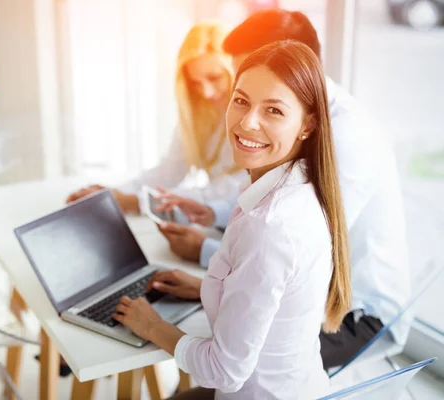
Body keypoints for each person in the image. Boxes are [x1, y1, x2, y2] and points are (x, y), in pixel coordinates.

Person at [155, 9, 410, 370]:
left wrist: (205, 254)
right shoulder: (301, 113)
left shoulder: (349, 139)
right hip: (304, 292)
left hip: (356, 316)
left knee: (221, 351)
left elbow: (311, 254)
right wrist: (213, 223)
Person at [114, 40, 351, 399]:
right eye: (241, 101)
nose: (247, 122)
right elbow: (275, 296)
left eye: (273, 110)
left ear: (307, 124)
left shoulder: (269, 227)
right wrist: (208, 288)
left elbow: (224, 371)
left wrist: (153, 327)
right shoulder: (300, 187)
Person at [65, 21, 248, 213]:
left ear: (234, 71)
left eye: (214, 78)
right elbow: (168, 171)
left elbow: (230, 191)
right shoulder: (198, 118)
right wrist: (111, 195)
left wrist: (137, 202)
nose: (207, 92)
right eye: (195, 83)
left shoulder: (250, 120)